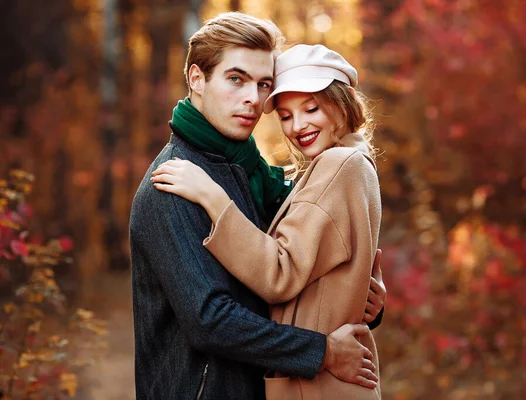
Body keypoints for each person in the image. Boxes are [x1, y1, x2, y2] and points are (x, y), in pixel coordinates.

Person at [129, 13, 385, 400]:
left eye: (263, 84)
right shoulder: (174, 183)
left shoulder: (246, 172)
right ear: (197, 79)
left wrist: (360, 297)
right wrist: (322, 352)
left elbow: (292, 268)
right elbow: (210, 321)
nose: (253, 97)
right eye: (236, 79)